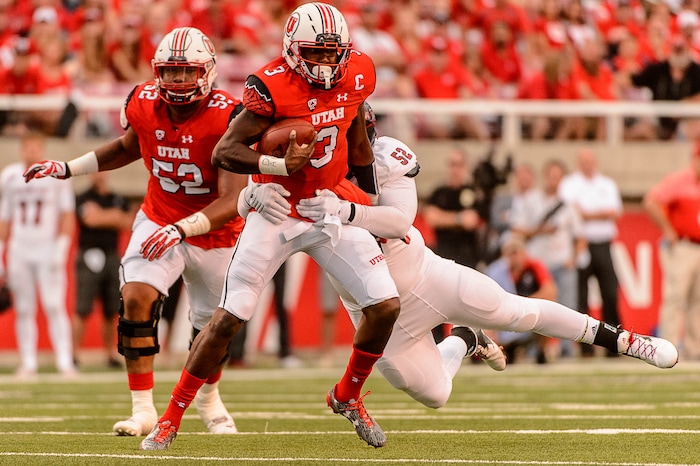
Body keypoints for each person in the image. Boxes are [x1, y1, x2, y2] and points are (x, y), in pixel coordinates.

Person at [291, 103, 678, 410]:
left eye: (364, 138)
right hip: (377, 313)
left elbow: (398, 221)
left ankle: (625, 340)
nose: (360, 150)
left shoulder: (387, 158)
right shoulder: (303, 177)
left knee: (517, 312)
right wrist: (258, 194)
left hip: (425, 275)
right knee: (435, 394)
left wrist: (343, 211)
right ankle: (463, 337)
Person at [139, 3, 400, 451]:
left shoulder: (357, 71)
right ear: (292, 50)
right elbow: (225, 151)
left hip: (328, 204)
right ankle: (170, 418)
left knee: (385, 306)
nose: (324, 63)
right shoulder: (271, 86)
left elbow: (357, 136)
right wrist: (274, 164)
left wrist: (366, 199)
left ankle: (348, 396)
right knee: (227, 319)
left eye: (331, 54)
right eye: (314, 53)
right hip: (276, 208)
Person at [23, 27, 246, 437]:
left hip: (216, 230)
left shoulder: (229, 116)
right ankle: (143, 408)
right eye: (170, 72)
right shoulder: (143, 102)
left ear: (208, 72)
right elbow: (128, 146)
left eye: (187, 72)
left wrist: (185, 228)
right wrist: (68, 168)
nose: (177, 81)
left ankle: (209, 397)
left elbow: (233, 198)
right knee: (136, 297)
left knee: (212, 329)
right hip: (160, 217)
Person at [0, 132, 77, 379]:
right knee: (24, 308)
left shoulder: (56, 175)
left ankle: (65, 361)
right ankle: (28, 362)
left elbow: (67, 214)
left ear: (42, 148)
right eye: (28, 147)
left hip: (47, 247)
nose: (32, 152)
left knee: (55, 306)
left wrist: (61, 248)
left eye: (36, 147)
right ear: (22, 149)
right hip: (20, 248)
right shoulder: (10, 176)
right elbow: (4, 218)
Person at [558, 147, 623, 357]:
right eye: (583, 159)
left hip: (603, 244)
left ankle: (614, 343)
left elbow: (614, 212)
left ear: (595, 161)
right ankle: (585, 346)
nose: (587, 163)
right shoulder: (569, 184)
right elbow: (572, 214)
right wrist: (600, 214)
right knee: (581, 296)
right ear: (578, 162)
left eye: (590, 159)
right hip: (579, 244)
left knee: (610, 293)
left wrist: (588, 214)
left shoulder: (606, 184)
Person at [643, 141, 700, 360]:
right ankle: (669, 347)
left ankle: (695, 349)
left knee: (697, 300)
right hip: (683, 246)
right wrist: (668, 229)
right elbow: (651, 201)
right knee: (676, 297)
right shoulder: (679, 181)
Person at [72, 171, 134, 369]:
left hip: (111, 255)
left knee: (111, 310)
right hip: (89, 254)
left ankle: (110, 354)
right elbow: (90, 220)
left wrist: (104, 215)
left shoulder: (117, 197)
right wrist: (114, 216)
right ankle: (73, 354)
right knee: (83, 308)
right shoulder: (83, 197)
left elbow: (128, 222)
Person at [485, 232, 557, 363]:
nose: (514, 257)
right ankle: (507, 349)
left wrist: (524, 303)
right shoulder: (498, 272)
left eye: (516, 252)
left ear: (524, 252)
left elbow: (550, 291)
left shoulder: (534, 266)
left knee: (547, 312)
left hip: (527, 314)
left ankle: (541, 351)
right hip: (506, 318)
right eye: (510, 253)